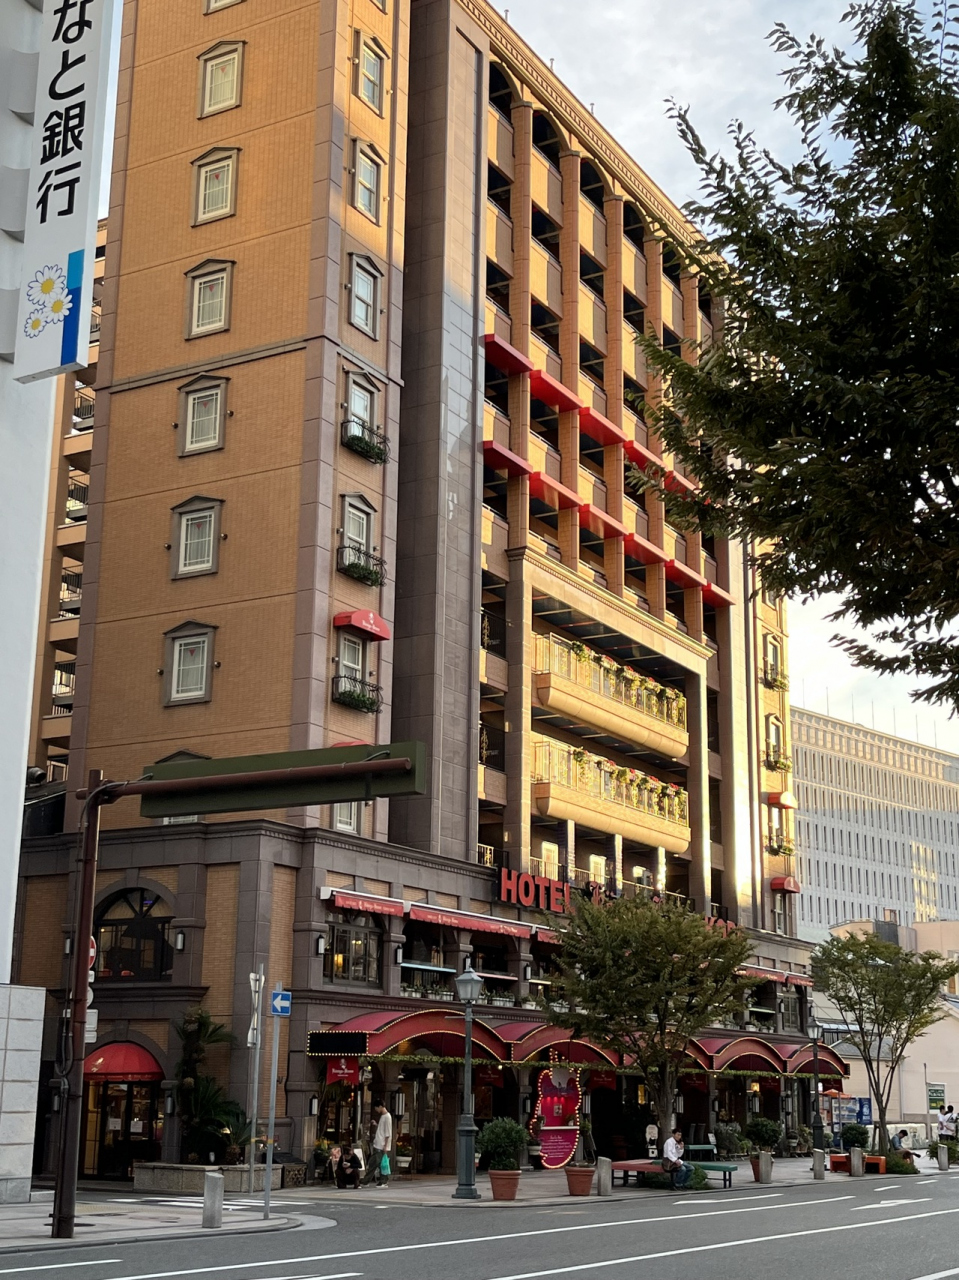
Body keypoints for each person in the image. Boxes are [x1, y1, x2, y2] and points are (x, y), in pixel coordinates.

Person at [362, 1101, 393, 1188]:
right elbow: (383, 1129)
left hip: (381, 1145)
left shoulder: (387, 1117)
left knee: (380, 1163)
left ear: (380, 1106)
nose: (376, 1110)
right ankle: (366, 1181)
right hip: (378, 1144)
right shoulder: (383, 1116)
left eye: (376, 1108)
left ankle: (383, 1181)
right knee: (374, 1163)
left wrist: (385, 1146)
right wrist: (376, 1124)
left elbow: (388, 1133)